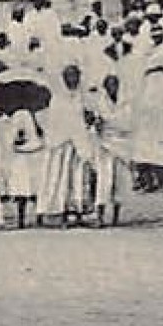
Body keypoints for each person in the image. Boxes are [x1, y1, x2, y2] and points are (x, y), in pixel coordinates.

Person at [39, 63, 94, 226]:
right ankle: (60, 212)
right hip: (61, 146)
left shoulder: (82, 97)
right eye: (70, 76)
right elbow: (56, 122)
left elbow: (84, 119)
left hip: (79, 144)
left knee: (78, 179)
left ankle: (77, 211)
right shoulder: (57, 99)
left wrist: (88, 119)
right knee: (60, 179)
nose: (73, 80)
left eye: (76, 76)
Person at [89, 73, 132, 227]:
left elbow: (127, 123)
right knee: (104, 180)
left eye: (115, 85)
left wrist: (108, 122)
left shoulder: (126, 102)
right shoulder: (100, 102)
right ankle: (99, 216)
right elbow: (97, 122)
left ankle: (115, 217)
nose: (112, 88)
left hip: (122, 145)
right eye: (109, 85)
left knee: (119, 181)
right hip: (104, 145)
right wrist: (101, 123)